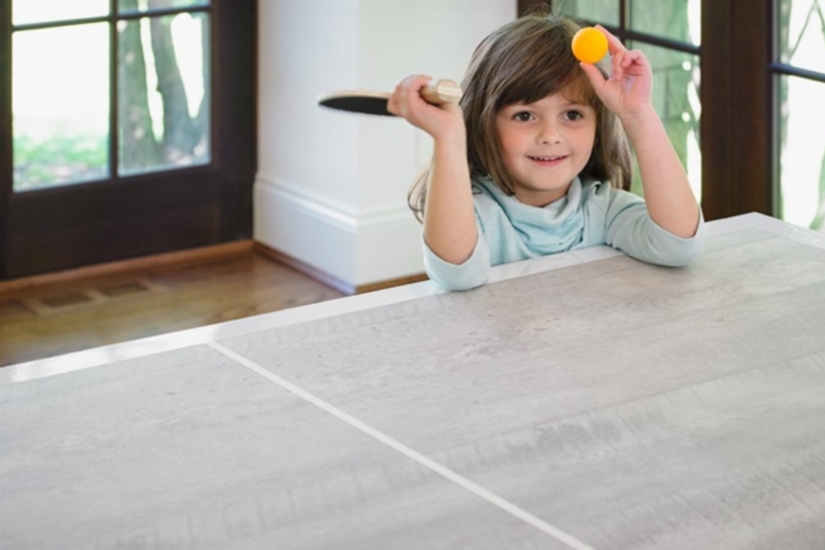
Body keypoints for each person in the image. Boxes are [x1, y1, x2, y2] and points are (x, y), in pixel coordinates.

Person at [387, 13, 705, 291]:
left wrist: (638, 114)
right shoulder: (474, 212)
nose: (551, 136)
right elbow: (456, 277)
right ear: (484, 122)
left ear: (598, 126)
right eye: (525, 116)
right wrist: (449, 138)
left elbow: (678, 246)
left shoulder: (601, 209)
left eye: (572, 115)